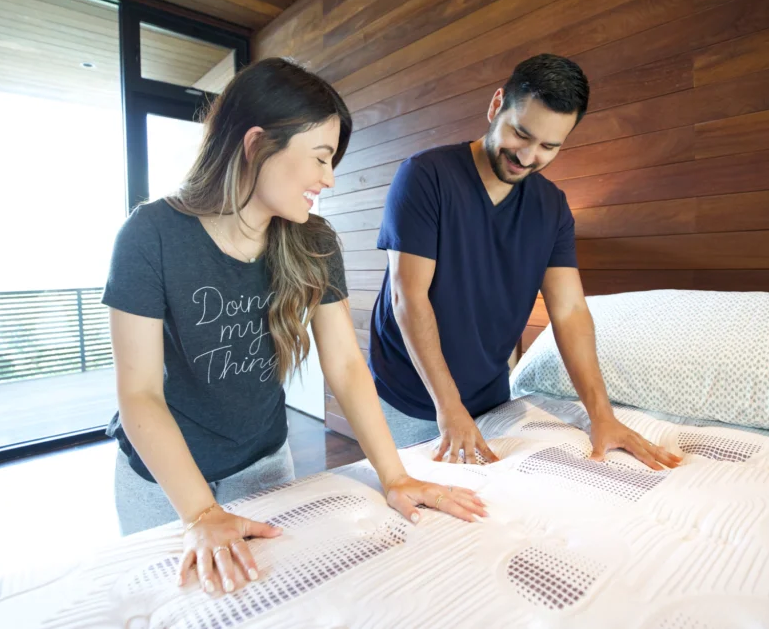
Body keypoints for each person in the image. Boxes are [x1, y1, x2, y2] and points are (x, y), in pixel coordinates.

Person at [103, 58, 485, 597]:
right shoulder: (150, 236)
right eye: (321, 158)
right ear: (257, 143)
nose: (328, 179)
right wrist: (200, 514)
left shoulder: (314, 240)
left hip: (262, 464)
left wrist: (395, 476)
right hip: (160, 477)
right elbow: (138, 393)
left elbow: (347, 367)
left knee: (266, 602)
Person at [368, 54, 683, 471]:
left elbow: (570, 312)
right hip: (411, 393)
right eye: (521, 134)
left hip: (490, 394)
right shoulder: (426, 176)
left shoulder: (551, 208)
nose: (529, 156)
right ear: (497, 104)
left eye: (549, 147)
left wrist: (601, 416)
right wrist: (449, 407)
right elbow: (408, 296)